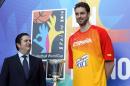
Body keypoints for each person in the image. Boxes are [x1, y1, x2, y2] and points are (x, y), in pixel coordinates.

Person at [68, 2, 114, 86]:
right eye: (77, 14)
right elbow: (74, 67)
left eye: (82, 13)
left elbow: (110, 62)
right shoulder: (72, 39)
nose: (79, 16)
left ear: (88, 14)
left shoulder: (100, 32)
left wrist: (101, 81)